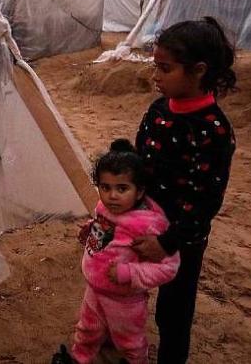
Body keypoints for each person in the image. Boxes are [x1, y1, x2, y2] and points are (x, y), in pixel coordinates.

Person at [132, 17, 237, 363]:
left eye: (165, 68)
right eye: (155, 67)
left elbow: (206, 199)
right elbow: (139, 159)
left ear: (199, 71)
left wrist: (167, 242)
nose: (156, 76)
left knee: (173, 312)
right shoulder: (158, 111)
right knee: (119, 286)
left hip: (182, 239)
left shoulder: (212, 131)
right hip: (142, 221)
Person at [70, 139, 180, 364]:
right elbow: (107, 235)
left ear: (139, 192)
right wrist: (91, 230)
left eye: (122, 188)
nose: (112, 196)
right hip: (94, 289)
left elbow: (169, 267)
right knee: (86, 331)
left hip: (125, 302)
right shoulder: (103, 208)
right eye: (105, 187)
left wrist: (129, 274)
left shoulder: (148, 224)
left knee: (129, 343)